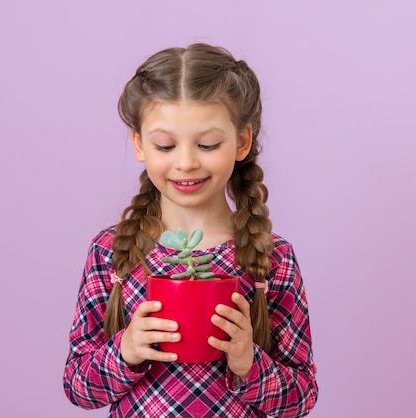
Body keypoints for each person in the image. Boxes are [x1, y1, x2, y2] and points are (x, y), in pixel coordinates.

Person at [63, 43, 318, 417]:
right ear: (139, 144)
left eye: (207, 144)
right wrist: (126, 352)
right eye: (165, 145)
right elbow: (78, 387)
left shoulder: (271, 259)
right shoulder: (112, 252)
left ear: (242, 141)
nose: (185, 162)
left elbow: (302, 396)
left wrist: (249, 363)